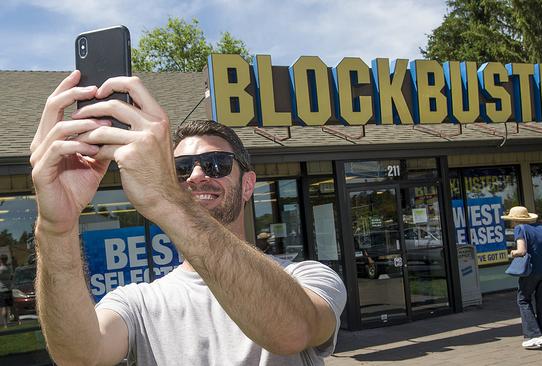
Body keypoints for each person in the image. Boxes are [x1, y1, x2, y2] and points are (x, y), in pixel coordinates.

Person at [29, 70, 347, 365]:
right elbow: (78, 356)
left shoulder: (307, 278)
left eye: (216, 164)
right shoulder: (138, 302)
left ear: (248, 184)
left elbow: (291, 331)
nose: (195, 175)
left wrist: (167, 197)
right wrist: (57, 228)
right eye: (180, 169)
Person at [502, 206, 542, 350]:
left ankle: (534, 335)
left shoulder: (520, 229)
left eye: (511, 220)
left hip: (532, 270)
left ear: (515, 220)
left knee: (523, 299)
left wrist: (512, 253)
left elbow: (522, 250)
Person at [0, 254, 12, 328]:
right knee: (11, 307)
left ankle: (5, 324)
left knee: (4, 307)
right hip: (9, 289)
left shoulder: (1, 269)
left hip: (2, 290)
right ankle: (18, 322)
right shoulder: (9, 268)